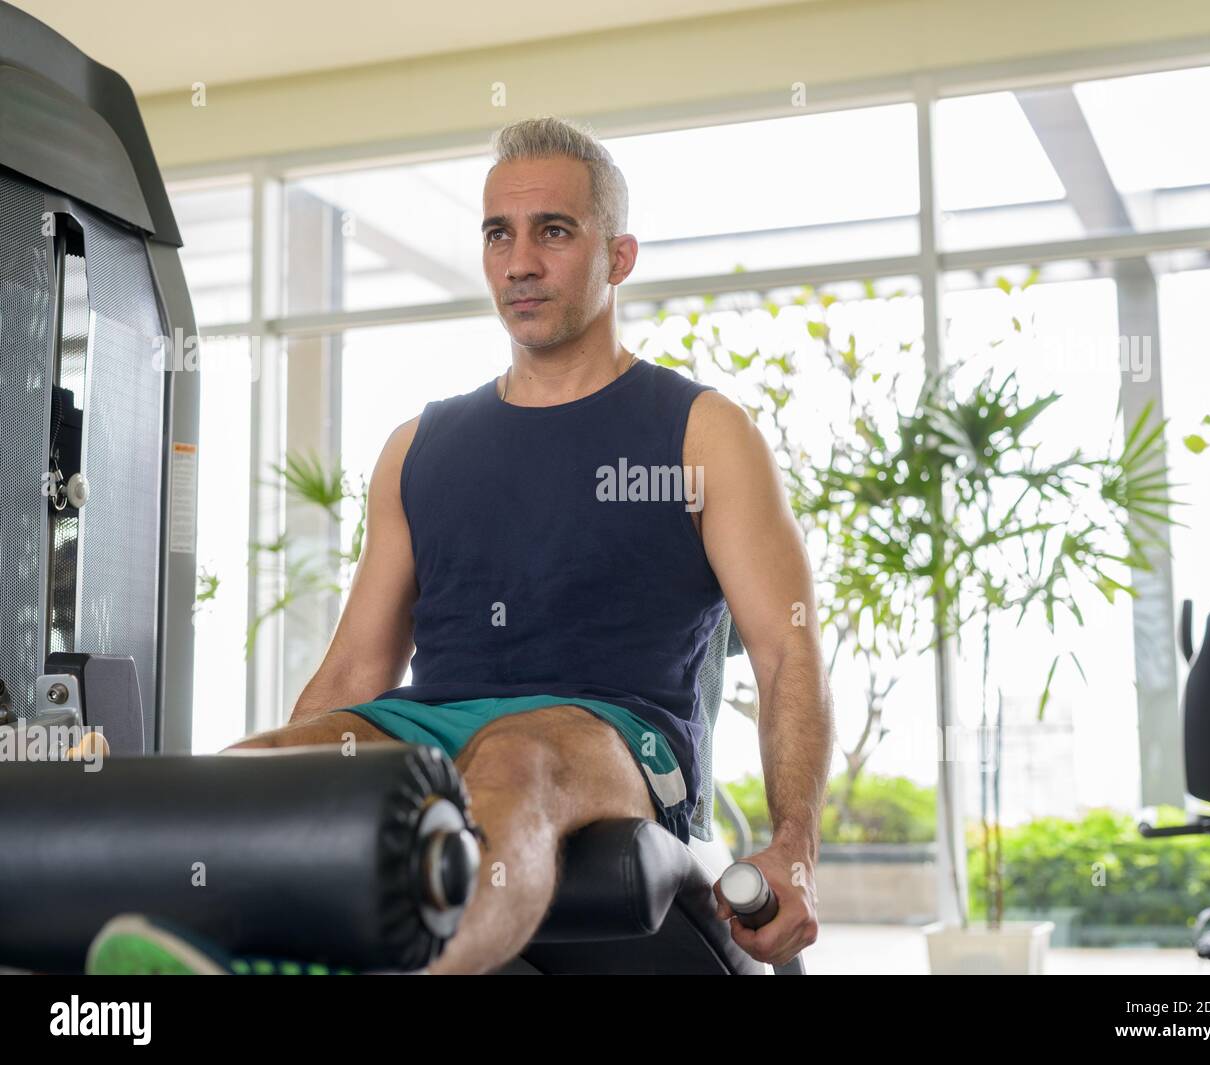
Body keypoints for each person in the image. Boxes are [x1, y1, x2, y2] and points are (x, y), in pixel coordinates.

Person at [103, 115, 833, 976]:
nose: (520, 261)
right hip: (427, 722)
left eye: (552, 231)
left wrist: (795, 844)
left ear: (620, 256)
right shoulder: (422, 444)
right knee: (236, 775)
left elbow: (788, 648)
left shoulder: (701, 432)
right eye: (499, 234)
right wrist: (282, 796)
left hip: (613, 738)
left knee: (515, 755)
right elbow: (352, 675)